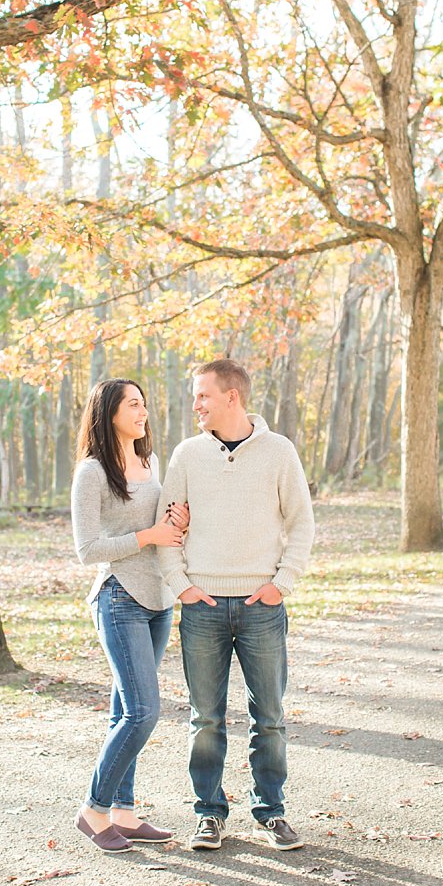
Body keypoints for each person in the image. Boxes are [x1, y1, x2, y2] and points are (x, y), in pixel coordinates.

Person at [157, 358, 314, 851]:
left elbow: (302, 523)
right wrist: (181, 585)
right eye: (194, 396)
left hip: (261, 606)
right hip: (201, 606)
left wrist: (281, 583)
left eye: (203, 395)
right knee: (205, 718)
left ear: (233, 397)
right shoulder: (186, 454)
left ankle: (271, 811)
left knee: (269, 715)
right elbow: (167, 526)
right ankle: (209, 812)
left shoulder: (278, 451)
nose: (196, 405)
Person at [71, 378, 189, 853]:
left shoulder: (149, 460)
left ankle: (123, 812)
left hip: (159, 599)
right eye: (133, 404)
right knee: (143, 712)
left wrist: (175, 524)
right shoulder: (92, 472)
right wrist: (150, 536)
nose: (143, 411)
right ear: (109, 413)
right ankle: (93, 810)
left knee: (124, 710)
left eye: (144, 403)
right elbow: (87, 549)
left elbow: (159, 525)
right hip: (119, 597)